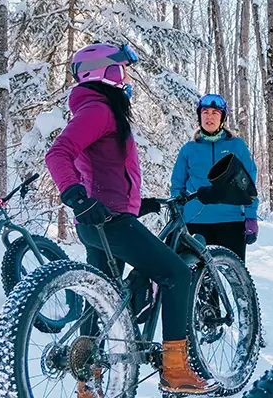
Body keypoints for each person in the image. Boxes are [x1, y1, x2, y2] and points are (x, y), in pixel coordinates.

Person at [44, 43, 214, 396]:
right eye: (120, 69)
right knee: (177, 273)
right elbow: (58, 153)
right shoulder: (100, 110)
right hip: (108, 223)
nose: (125, 77)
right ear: (102, 72)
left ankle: (86, 381)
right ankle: (175, 369)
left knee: (101, 296)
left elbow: (106, 172)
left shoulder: (100, 110)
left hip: (102, 221)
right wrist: (76, 197)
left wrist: (139, 204)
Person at [171, 94, 260, 261]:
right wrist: (178, 218)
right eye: (205, 112)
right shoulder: (189, 149)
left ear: (222, 118)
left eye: (215, 113)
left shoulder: (237, 145)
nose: (209, 117)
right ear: (199, 116)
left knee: (234, 279)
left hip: (232, 222)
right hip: (195, 223)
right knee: (196, 281)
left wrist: (251, 216)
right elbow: (177, 186)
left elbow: (250, 183)